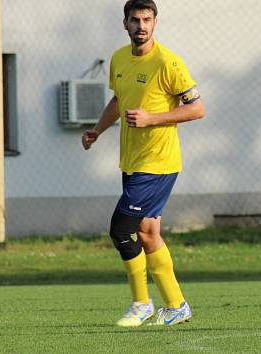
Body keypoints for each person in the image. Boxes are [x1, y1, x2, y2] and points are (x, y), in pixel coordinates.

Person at [82, 0, 205, 327]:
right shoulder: (120, 58)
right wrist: (97, 129)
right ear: (125, 23)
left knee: (120, 231)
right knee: (149, 233)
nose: (141, 25)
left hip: (158, 163)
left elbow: (197, 109)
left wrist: (153, 118)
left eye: (147, 19)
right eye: (135, 19)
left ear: (155, 22)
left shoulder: (168, 62)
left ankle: (141, 303)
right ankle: (177, 305)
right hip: (133, 161)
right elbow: (119, 100)